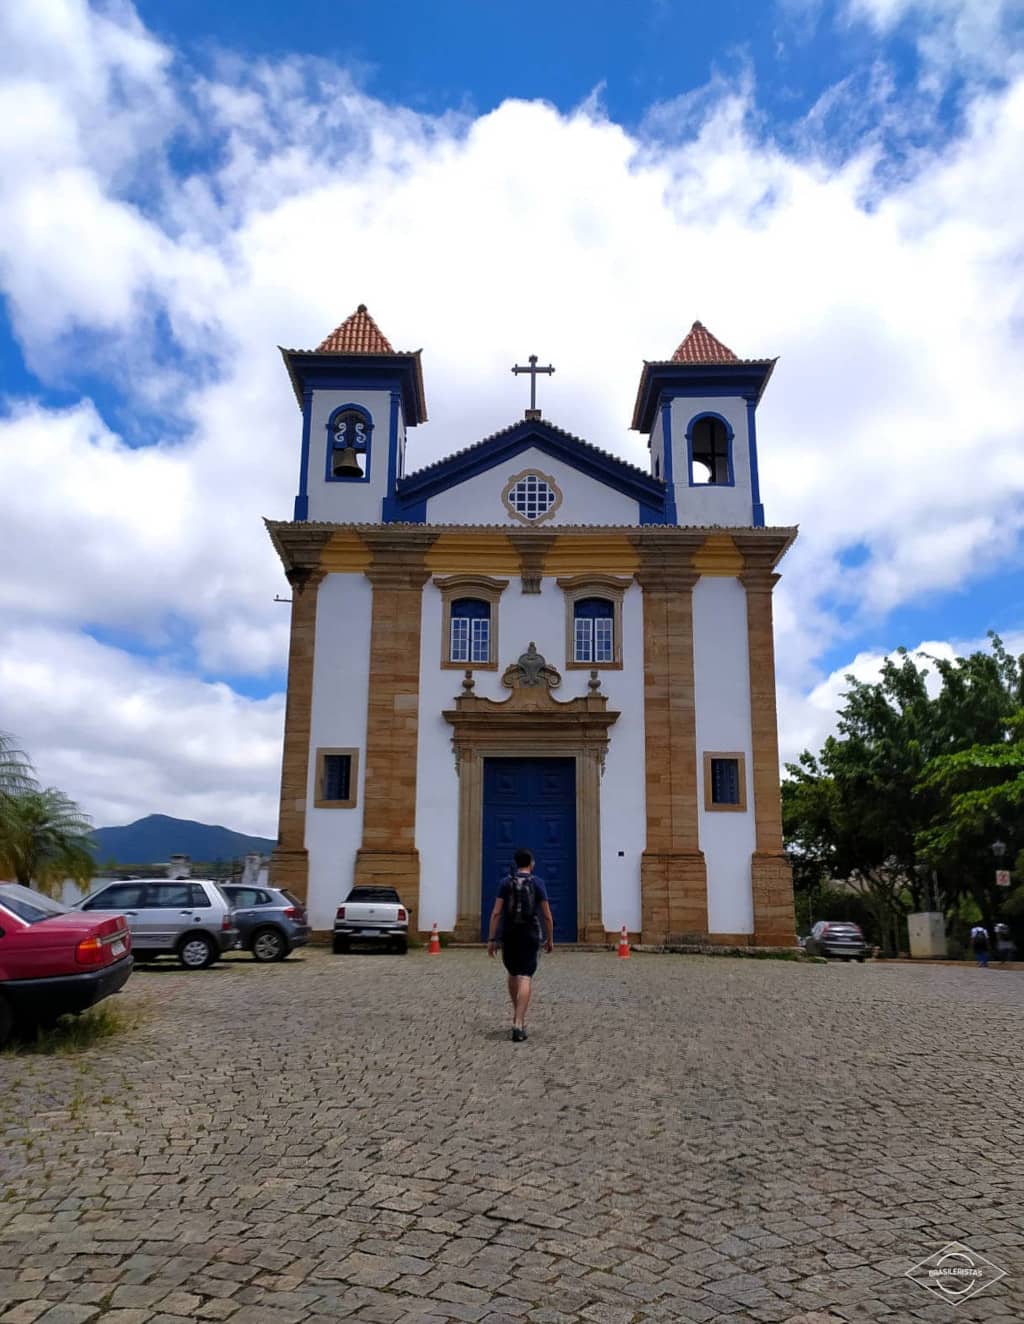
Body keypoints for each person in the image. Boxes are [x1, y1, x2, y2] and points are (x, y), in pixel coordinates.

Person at [486, 848, 554, 1042]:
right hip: (530, 934)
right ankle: (518, 1022)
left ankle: (518, 1015)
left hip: (510, 934)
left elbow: (496, 913)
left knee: (513, 973)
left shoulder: (505, 883)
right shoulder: (538, 883)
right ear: (531, 863)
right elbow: (547, 916)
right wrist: (550, 939)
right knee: (525, 977)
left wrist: (492, 939)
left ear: (516, 863)